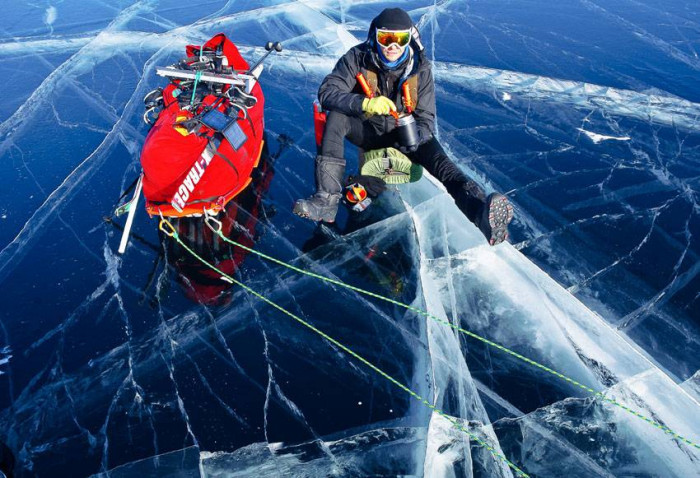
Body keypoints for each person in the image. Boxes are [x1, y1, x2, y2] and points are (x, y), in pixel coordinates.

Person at [293, 7, 513, 245]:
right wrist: (365, 103)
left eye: (400, 39)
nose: (392, 46)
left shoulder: (420, 69)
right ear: (375, 36)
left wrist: (414, 136)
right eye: (385, 38)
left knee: (444, 167)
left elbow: (427, 119)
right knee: (336, 116)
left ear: (409, 38)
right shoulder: (356, 58)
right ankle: (326, 201)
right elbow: (327, 93)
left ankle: (481, 213)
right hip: (367, 130)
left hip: (405, 136)